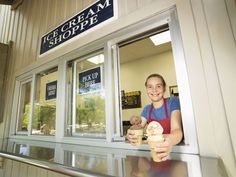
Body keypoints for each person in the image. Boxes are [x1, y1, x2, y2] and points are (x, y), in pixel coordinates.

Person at [127, 73, 183, 161]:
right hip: (154, 154)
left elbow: (177, 131)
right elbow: (139, 126)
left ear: (164, 88)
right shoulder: (147, 109)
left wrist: (168, 142)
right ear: (146, 89)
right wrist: (133, 128)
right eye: (150, 87)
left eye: (158, 86)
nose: (154, 90)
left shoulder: (173, 101)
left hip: (174, 153)